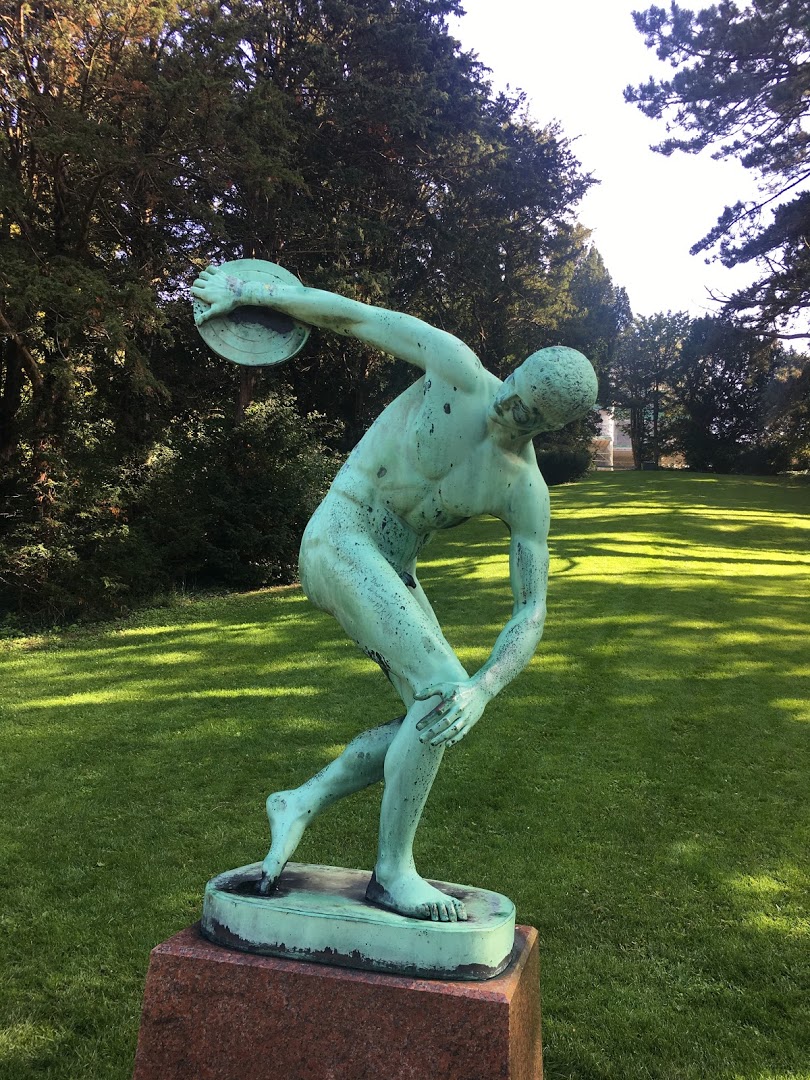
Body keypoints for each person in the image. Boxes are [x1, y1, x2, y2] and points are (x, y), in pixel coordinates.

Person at [191, 265, 598, 922]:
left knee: (436, 712)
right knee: (441, 689)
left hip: (392, 567)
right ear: (516, 370)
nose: (508, 407)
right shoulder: (456, 369)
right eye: (514, 389)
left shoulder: (522, 487)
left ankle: (299, 801)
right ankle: (392, 874)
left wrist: (485, 688)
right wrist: (250, 295)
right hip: (339, 531)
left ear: (550, 425)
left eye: (528, 413)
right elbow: (353, 316)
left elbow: (532, 608)